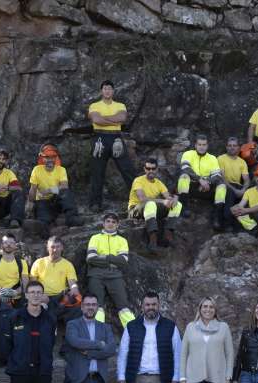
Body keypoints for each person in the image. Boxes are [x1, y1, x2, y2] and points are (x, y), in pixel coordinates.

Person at [87, 80, 136, 213]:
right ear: (101, 91)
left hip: (116, 138)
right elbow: (96, 120)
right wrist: (112, 120)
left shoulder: (120, 105)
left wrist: (104, 119)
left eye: (110, 88)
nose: (107, 91)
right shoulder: (94, 105)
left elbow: (122, 118)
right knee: (97, 172)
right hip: (100, 138)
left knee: (127, 169)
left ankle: (137, 199)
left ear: (113, 91)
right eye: (105, 88)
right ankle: (95, 204)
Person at [86, 213, 136, 327]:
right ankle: (96, 334)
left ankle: (134, 333)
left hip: (115, 275)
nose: (110, 224)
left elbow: (123, 260)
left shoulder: (122, 240)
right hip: (96, 275)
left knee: (123, 306)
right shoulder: (95, 238)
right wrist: (112, 260)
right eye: (108, 221)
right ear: (103, 224)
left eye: (113, 222)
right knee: (96, 305)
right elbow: (90, 258)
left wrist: (104, 257)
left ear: (117, 225)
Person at [127, 158, 182, 254]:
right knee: (151, 204)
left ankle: (168, 236)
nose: (150, 171)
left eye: (153, 168)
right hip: (135, 209)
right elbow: (142, 199)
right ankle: (153, 240)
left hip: (151, 209)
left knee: (178, 205)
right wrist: (162, 201)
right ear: (144, 169)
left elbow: (168, 197)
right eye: (148, 168)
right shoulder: (138, 180)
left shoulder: (159, 183)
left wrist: (174, 199)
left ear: (157, 169)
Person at [27, 144, 81, 235]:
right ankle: (46, 232)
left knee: (65, 192)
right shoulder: (36, 170)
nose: (50, 160)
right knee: (44, 219)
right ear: (42, 158)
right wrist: (30, 203)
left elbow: (64, 187)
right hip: (42, 201)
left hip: (56, 200)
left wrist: (49, 190)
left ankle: (71, 218)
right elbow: (33, 189)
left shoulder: (61, 170)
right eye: (47, 157)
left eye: (53, 157)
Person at [176, 135, 227, 229]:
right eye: (199, 144)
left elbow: (217, 176)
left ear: (207, 146)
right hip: (191, 188)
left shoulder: (212, 158)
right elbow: (185, 168)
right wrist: (200, 180)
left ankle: (217, 217)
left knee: (222, 186)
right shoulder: (188, 154)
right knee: (184, 176)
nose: (201, 147)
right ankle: (184, 208)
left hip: (206, 188)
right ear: (195, 145)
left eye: (204, 144)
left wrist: (207, 182)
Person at [29, 236, 81, 324]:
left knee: (77, 308)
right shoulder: (38, 263)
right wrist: (40, 295)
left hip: (60, 297)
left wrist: (74, 288)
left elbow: (72, 283)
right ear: (47, 248)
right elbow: (33, 284)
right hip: (43, 296)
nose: (55, 250)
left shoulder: (67, 264)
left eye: (58, 247)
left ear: (62, 248)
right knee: (39, 308)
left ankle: (71, 333)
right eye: (52, 247)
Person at [0, 233, 29, 307]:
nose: (8, 245)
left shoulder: (22, 262)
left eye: (11, 243)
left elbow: (25, 285)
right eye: (6, 243)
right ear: (1, 245)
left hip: (16, 298)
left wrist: (13, 292)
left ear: (15, 246)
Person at [218, 137, 250, 231]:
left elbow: (247, 180)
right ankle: (227, 225)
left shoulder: (242, 162)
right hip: (224, 185)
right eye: (230, 145)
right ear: (226, 147)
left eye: (234, 146)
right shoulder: (221, 158)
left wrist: (243, 190)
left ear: (239, 148)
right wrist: (235, 190)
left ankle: (246, 227)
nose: (232, 148)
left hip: (238, 186)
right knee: (230, 194)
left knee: (249, 196)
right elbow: (222, 177)